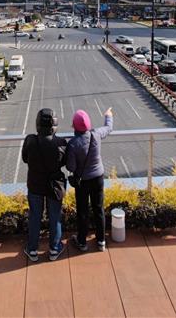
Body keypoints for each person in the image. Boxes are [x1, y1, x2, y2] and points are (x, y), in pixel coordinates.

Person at [21, 108, 67, 262]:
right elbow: (65, 162)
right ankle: (54, 248)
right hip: (54, 186)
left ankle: (32, 249)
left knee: (35, 216)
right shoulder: (60, 143)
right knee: (55, 217)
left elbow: (25, 158)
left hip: (35, 184)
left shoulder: (30, 140)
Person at [66, 108, 113, 252]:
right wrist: (108, 116)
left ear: (74, 126)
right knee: (98, 208)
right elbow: (108, 128)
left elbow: (71, 167)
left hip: (83, 182)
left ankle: (82, 242)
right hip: (98, 177)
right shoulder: (96, 135)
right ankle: (101, 241)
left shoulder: (73, 144)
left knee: (83, 211)